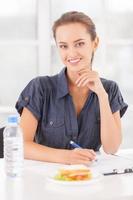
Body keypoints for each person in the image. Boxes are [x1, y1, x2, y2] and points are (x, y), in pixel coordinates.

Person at [16, 11, 128, 165]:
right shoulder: (40, 87)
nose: (71, 53)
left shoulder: (109, 89)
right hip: (45, 179)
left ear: (95, 43)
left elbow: (111, 148)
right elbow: (22, 145)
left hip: (89, 177)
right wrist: (66, 157)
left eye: (79, 43)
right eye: (63, 46)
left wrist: (102, 95)